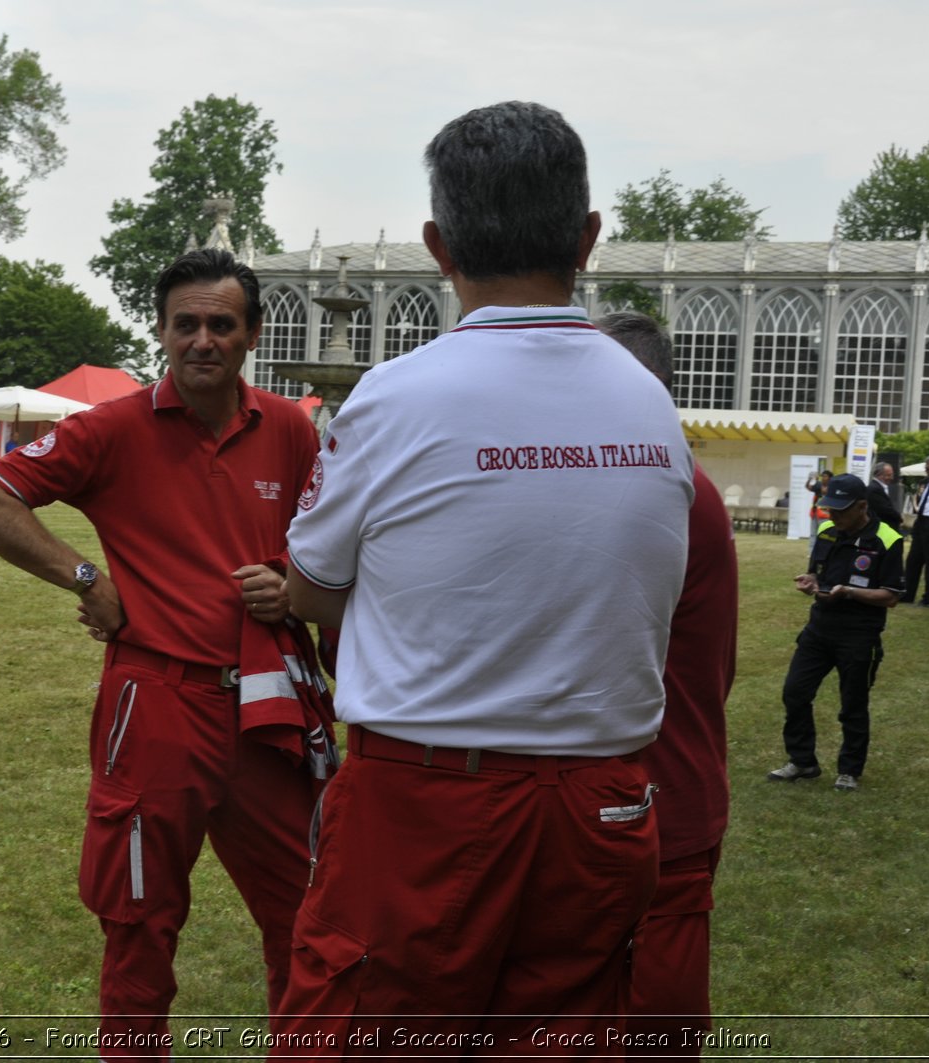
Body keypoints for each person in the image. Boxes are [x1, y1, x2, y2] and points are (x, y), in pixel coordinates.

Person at [275, 101, 692, 1050]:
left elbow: (307, 587)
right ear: (588, 237)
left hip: (432, 799)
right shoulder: (652, 406)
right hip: (603, 802)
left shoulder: (397, 393)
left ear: (437, 245)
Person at [0, 248, 325, 1052]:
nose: (202, 340)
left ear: (251, 335)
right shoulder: (115, 427)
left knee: (306, 915)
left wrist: (290, 582)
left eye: (221, 325)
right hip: (156, 701)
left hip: (266, 704)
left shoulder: (291, 428)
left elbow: (328, 550)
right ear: (159, 330)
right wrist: (84, 575)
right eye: (184, 324)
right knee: (139, 920)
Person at [596, 311, 736, 1058]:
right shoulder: (669, 480)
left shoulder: (667, 492)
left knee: (655, 1027)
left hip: (658, 805)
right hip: (654, 793)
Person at [768, 473, 903, 792]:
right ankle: (802, 761)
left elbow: (892, 596)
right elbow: (818, 574)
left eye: (840, 510)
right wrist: (810, 581)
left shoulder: (887, 539)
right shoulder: (828, 532)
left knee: (852, 703)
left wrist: (849, 593)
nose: (833, 516)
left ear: (862, 507)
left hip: (859, 635)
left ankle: (849, 770)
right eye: (830, 509)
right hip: (819, 629)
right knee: (795, 692)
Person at [901, 456, 929, 604]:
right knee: (913, 560)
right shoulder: (927, 482)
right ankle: (907, 594)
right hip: (921, 522)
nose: (926, 470)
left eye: (928, 468)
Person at [867, 461, 903, 532]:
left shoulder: (878, 487)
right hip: (880, 529)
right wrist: (900, 518)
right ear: (879, 475)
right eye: (889, 475)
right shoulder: (874, 489)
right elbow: (886, 509)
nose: (891, 478)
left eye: (892, 475)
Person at [806, 468, 833, 539]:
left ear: (830, 478)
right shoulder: (818, 485)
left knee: (823, 534)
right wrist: (810, 479)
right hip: (815, 513)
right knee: (813, 534)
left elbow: (824, 491)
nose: (823, 478)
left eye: (825, 476)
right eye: (822, 476)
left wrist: (817, 482)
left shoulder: (832, 487)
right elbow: (808, 487)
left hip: (825, 514)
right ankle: (812, 550)